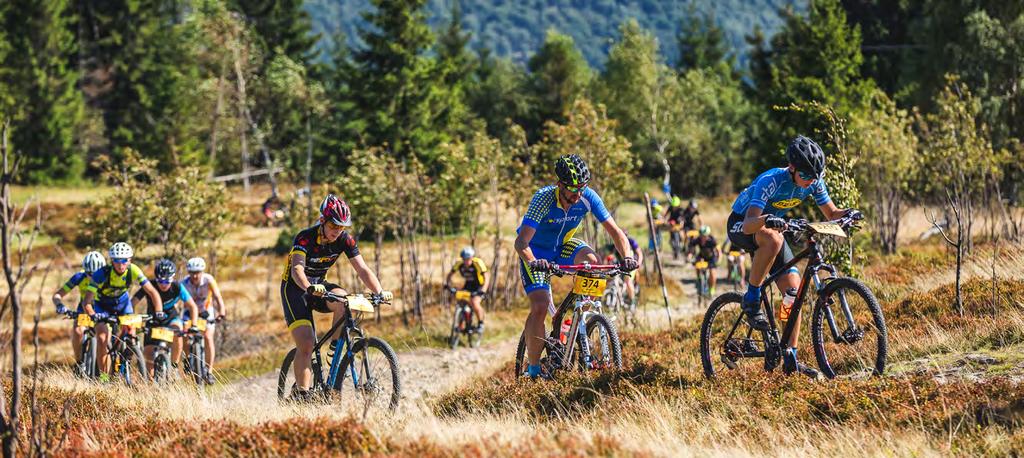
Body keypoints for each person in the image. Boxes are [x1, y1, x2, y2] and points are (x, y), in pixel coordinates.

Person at [727, 135, 857, 377]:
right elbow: (748, 224)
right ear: (792, 168)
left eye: (815, 176)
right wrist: (769, 219)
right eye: (806, 176)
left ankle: (790, 357)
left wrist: (849, 213)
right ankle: (752, 297)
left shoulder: (814, 181)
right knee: (774, 239)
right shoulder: (772, 180)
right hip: (743, 224)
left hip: (772, 229)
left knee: (792, 295)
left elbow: (831, 213)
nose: (810, 182)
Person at [514, 154, 638, 380]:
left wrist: (627, 257)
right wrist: (533, 262)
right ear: (559, 184)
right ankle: (533, 370)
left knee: (592, 262)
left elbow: (616, 232)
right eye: (572, 189)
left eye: (582, 188)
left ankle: (581, 317)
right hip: (536, 252)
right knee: (540, 306)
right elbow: (521, 242)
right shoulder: (543, 199)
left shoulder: (587, 197)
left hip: (563, 246)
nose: (578, 195)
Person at [281, 194, 391, 401]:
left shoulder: (344, 239)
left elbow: (363, 269)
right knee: (306, 344)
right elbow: (297, 269)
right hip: (295, 289)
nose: (337, 231)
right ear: (322, 220)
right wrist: (309, 287)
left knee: (344, 300)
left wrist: (379, 292)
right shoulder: (305, 237)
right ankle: (302, 396)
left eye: (341, 227)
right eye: (333, 225)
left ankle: (334, 354)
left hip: (319, 287)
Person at [81, 242, 162, 379]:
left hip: (123, 305)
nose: (120, 264)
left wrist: (159, 311)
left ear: (129, 260)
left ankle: (126, 362)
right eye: (117, 260)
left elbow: (152, 292)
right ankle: (104, 377)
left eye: (124, 260)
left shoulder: (134, 270)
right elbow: (87, 302)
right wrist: (93, 315)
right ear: (112, 261)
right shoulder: (101, 274)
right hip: (103, 306)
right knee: (102, 338)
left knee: (131, 333)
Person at [132, 259, 199, 376]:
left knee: (178, 332)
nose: (163, 284)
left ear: (173, 278)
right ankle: (152, 386)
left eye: (167, 281)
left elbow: (193, 306)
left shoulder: (178, 287)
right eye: (160, 281)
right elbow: (132, 302)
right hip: (152, 320)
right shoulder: (149, 285)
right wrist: (131, 318)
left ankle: (173, 366)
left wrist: (194, 325)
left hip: (171, 318)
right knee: (148, 356)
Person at [52, 251, 106, 365]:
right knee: (77, 332)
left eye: (96, 274)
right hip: (84, 311)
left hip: (103, 310)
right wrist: (59, 305)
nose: (93, 277)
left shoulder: (107, 278)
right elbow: (58, 295)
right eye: (89, 274)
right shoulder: (79, 277)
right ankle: (78, 362)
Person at [181, 256, 227, 384]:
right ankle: (187, 359)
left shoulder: (209, 280)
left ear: (202, 272)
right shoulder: (184, 283)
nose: (195, 276)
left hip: (206, 311)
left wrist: (221, 311)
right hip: (189, 312)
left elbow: (217, 297)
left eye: (197, 273)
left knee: (208, 337)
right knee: (184, 333)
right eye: (192, 273)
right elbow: (177, 300)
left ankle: (209, 371)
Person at [444, 247, 489, 332]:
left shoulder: (478, 263)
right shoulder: (459, 263)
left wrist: (483, 290)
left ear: (472, 258)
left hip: (479, 285)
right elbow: (450, 275)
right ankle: (462, 325)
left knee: (474, 302)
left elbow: (486, 277)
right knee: (461, 302)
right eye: (464, 259)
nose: (466, 261)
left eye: (468, 259)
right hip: (468, 284)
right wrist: (448, 284)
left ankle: (480, 324)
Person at [604, 232, 644, 307]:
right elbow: (609, 255)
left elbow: (639, 253)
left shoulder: (631, 242)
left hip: (631, 266)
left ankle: (632, 302)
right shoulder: (615, 245)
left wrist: (639, 263)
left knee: (628, 281)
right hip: (621, 266)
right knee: (611, 278)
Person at [689, 226, 720, 295]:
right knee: (696, 264)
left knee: (712, 273)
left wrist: (719, 259)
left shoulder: (712, 241)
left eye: (704, 236)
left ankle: (711, 288)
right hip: (702, 256)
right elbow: (692, 246)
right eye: (701, 236)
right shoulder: (698, 239)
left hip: (711, 257)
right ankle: (699, 278)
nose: (703, 238)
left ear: (707, 235)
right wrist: (690, 254)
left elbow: (718, 251)